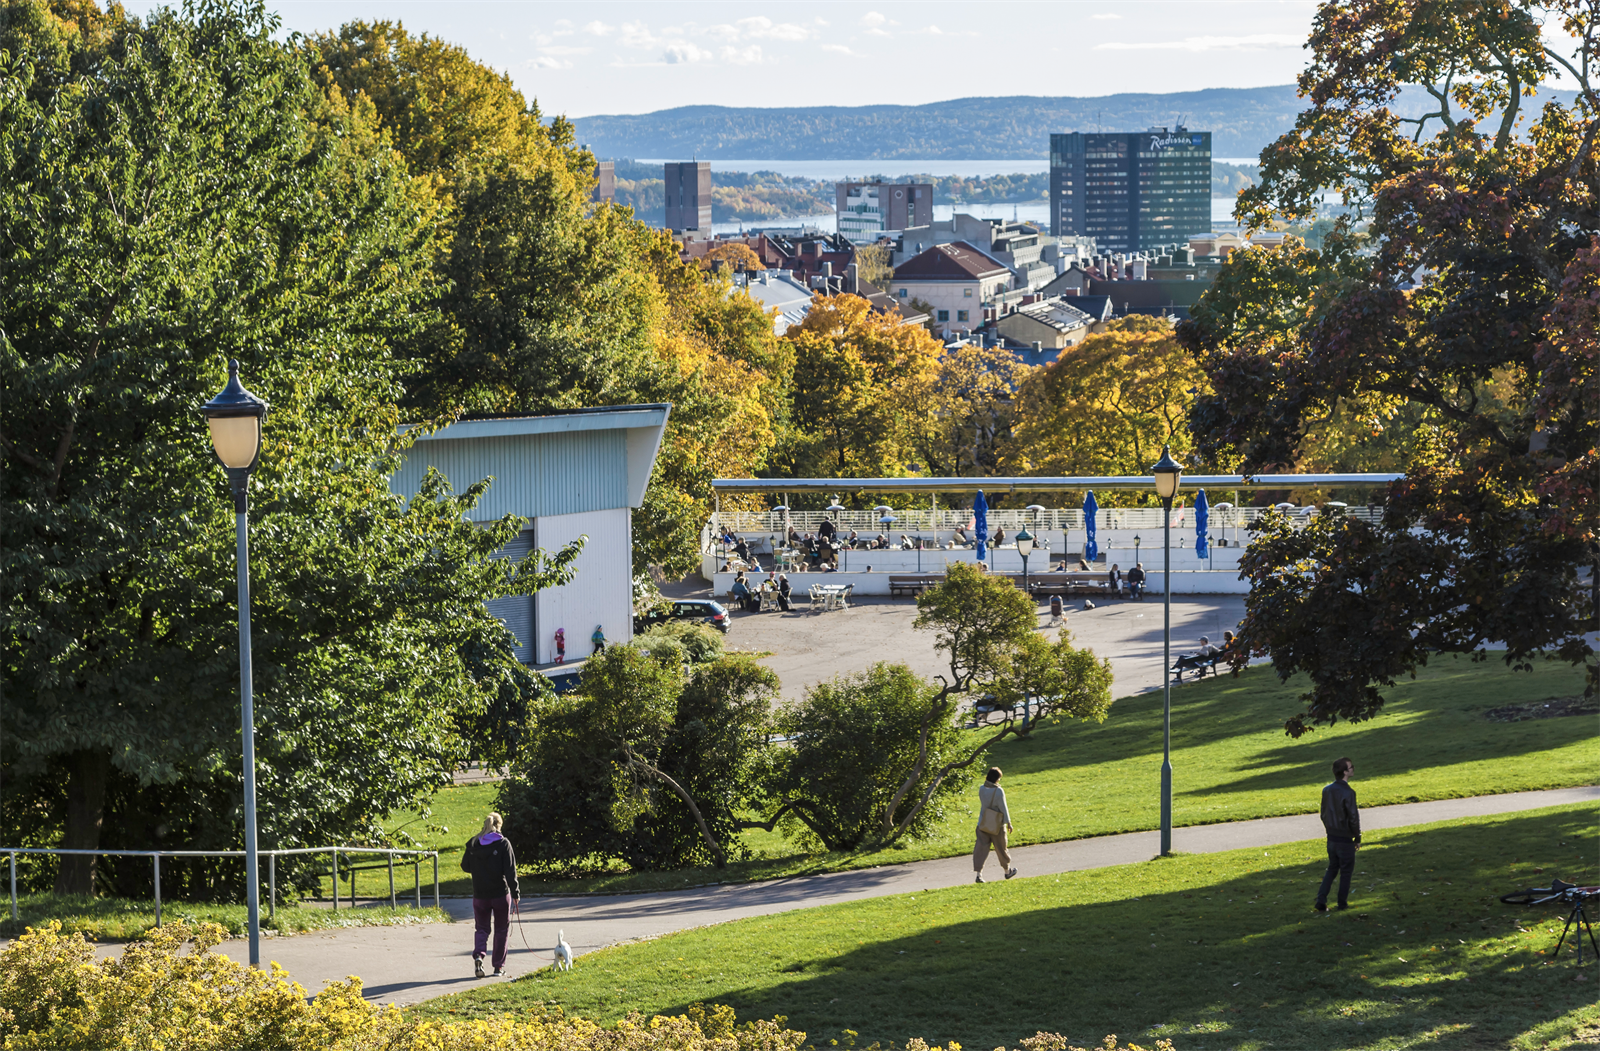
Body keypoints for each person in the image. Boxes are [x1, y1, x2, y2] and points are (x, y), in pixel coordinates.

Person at [461, 812, 520, 978]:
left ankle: (479, 955)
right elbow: (510, 871)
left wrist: (480, 868)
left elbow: (465, 866)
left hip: (480, 895)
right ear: (499, 825)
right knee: (501, 929)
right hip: (500, 894)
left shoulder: (473, 843)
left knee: (481, 928)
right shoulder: (503, 844)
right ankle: (498, 967)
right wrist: (515, 892)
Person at [1316, 757, 1361, 912]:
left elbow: (1323, 813)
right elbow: (1353, 817)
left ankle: (1321, 899)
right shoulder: (1348, 792)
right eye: (1350, 767)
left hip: (1331, 838)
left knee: (1332, 868)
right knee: (1346, 872)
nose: (1353, 769)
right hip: (1344, 838)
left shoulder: (1327, 790)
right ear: (1345, 772)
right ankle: (1342, 903)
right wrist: (1357, 837)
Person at [973, 767, 1017, 883]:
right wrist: (1009, 823)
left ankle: (979, 874)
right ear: (996, 779)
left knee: (981, 849)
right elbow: (1003, 808)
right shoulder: (998, 791)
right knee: (1001, 848)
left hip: (983, 823)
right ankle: (1007, 871)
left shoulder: (981, 789)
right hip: (997, 825)